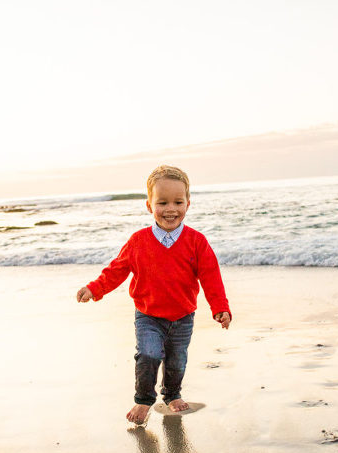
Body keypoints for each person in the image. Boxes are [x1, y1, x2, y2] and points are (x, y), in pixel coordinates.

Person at [76, 165, 231, 425]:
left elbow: (211, 277)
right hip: (148, 315)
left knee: (176, 360)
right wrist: (95, 288)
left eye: (178, 202)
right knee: (148, 355)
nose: (171, 209)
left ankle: (172, 395)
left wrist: (220, 308)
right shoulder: (138, 241)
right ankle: (143, 400)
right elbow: (117, 269)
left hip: (183, 316)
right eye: (162, 202)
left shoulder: (197, 242)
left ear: (188, 204)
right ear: (149, 205)